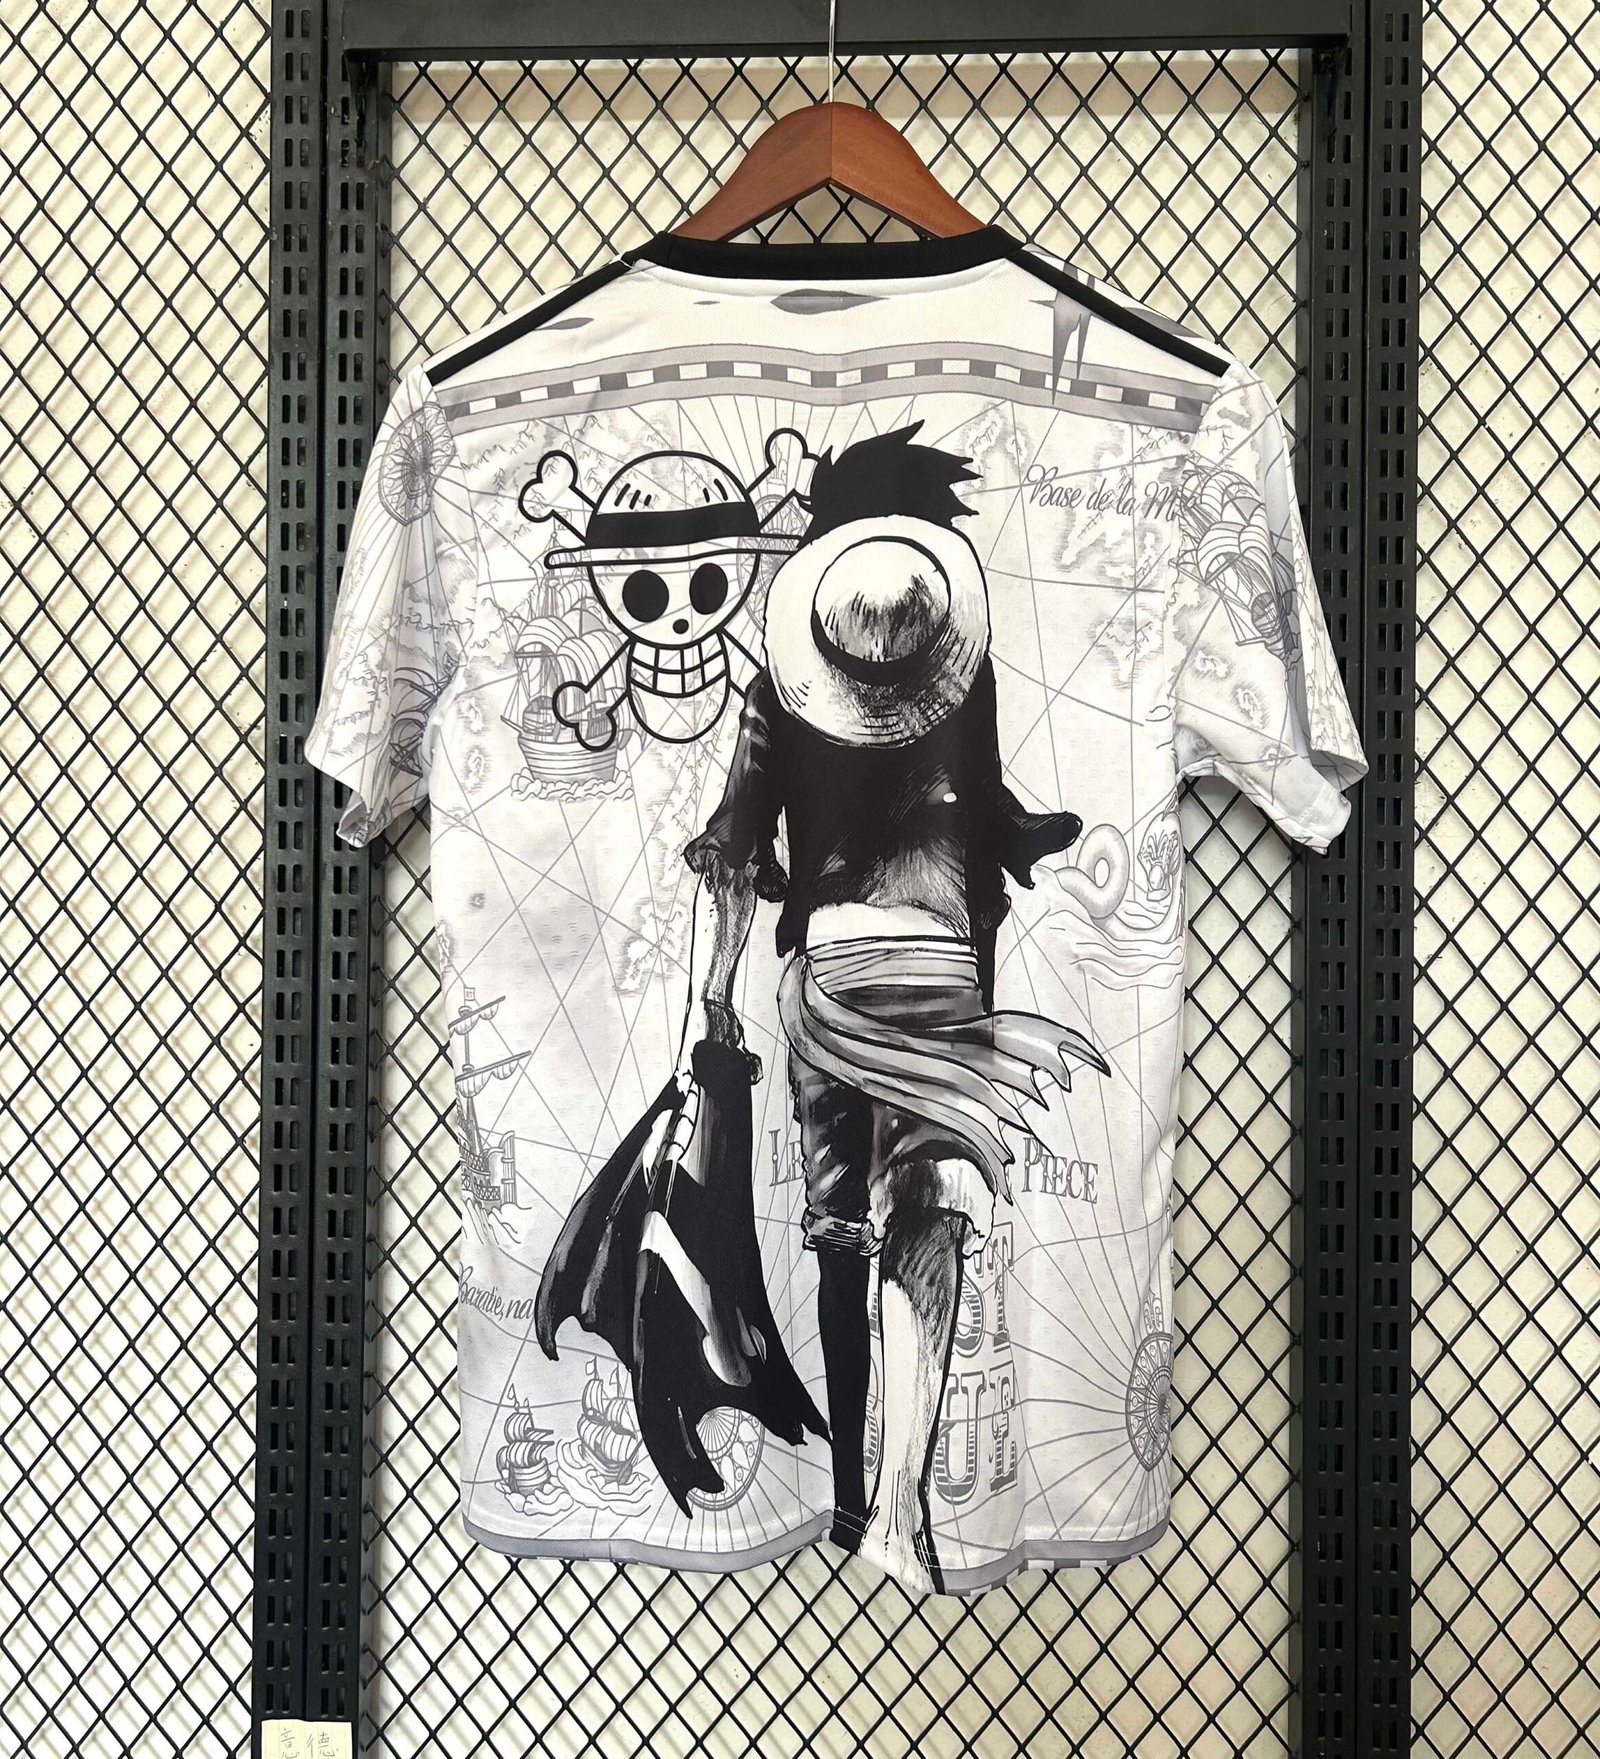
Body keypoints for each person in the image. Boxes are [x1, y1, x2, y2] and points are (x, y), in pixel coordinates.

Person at [680, 423, 1108, 1591]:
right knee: (931, 1219)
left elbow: (736, 841)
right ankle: (904, 1500)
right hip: (944, 969)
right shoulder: (965, 673)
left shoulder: (777, 687)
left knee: (838, 1235)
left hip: (832, 971)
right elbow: (990, 845)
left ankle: (843, 1497)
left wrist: (722, 962)